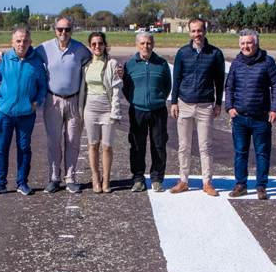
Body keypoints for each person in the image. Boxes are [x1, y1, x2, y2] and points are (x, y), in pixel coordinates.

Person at [0, 25, 48, 196]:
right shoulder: (3, 60)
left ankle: (22, 182)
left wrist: (37, 102)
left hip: (26, 115)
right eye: (18, 41)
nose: (22, 44)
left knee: (24, 148)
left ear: (30, 42)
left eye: (25, 41)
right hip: (4, 114)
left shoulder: (36, 63)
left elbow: (43, 86)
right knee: (0, 148)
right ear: (12, 42)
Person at [168, 17, 225, 197]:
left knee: (205, 146)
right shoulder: (182, 53)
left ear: (205, 31)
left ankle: (207, 182)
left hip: (205, 105)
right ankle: (183, 180)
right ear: (189, 32)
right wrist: (174, 101)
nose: (196, 34)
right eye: (193, 31)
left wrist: (218, 103)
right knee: (184, 146)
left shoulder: (215, 54)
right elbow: (176, 78)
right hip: (184, 103)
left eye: (199, 30)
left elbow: (219, 81)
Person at [223, 29, 276, 201]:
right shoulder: (236, 63)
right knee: (240, 152)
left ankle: (261, 186)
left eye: (249, 43)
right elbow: (229, 86)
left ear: (256, 43)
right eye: (242, 43)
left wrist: (275, 109)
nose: (245, 46)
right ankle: (240, 184)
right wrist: (230, 107)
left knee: (262, 152)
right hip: (240, 117)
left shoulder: (267, 62)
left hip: (261, 117)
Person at [36, 16, 92, 194]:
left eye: (67, 29)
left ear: (72, 30)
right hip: (53, 100)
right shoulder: (44, 48)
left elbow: (95, 60)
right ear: (55, 30)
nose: (63, 33)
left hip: (74, 101)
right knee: (54, 141)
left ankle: (71, 178)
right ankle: (54, 178)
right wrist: (1, 56)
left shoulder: (80, 49)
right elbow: (25, 55)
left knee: (72, 141)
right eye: (60, 29)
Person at [122, 31, 172, 192]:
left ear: (153, 44)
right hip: (137, 110)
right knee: (137, 145)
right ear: (137, 45)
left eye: (149, 43)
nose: (146, 46)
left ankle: (157, 178)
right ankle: (138, 178)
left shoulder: (162, 63)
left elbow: (167, 86)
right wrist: (136, 100)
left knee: (159, 145)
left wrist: (158, 99)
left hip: (158, 110)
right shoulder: (130, 64)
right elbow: (126, 87)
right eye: (142, 43)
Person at [80, 31, 124, 193]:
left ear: (105, 45)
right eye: (93, 44)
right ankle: (95, 177)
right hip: (90, 109)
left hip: (107, 108)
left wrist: (115, 111)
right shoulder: (86, 65)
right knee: (93, 145)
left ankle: (106, 179)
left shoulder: (112, 64)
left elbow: (116, 89)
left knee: (107, 146)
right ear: (90, 46)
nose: (97, 47)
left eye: (100, 43)